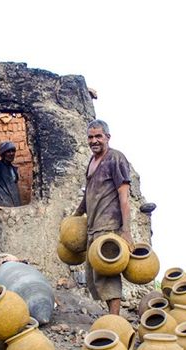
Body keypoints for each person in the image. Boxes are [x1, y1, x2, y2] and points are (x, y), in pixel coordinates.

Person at [73, 119, 134, 315]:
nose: (94, 140)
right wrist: (75, 216)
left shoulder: (115, 159)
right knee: (96, 278)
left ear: (107, 137)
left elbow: (124, 198)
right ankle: (111, 318)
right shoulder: (91, 162)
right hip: (93, 227)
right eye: (90, 137)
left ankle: (114, 322)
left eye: (98, 136)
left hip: (109, 227)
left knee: (108, 275)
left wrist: (126, 231)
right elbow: (88, 193)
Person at [0, 141, 22, 206]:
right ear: (3, 154)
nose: (11, 154)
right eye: (8, 151)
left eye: (13, 151)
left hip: (15, 205)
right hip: (1, 205)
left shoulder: (13, 169)